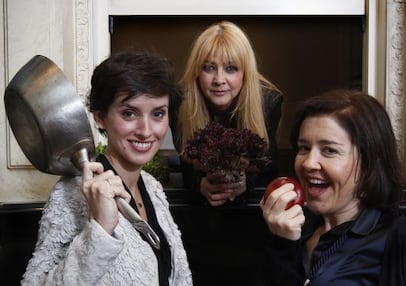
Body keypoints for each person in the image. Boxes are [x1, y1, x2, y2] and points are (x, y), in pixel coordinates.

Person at [21, 51, 193, 285]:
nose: (145, 130)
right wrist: (101, 229)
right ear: (100, 117)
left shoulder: (152, 187)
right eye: (129, 113)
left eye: (157, 114)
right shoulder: (72, 193)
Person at [260, 89, 406, 286]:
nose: (308, 163)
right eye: (304, 148)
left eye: (329, 150)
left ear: (368, 164)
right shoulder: (292, 230)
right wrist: (283, 244)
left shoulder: (403, 239)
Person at [170, 21, 283, 206]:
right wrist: (200, 185)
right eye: (209, 67)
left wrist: (247, 184)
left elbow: (267, 166)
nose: (219, 80)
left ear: (245, 72)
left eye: (231, 68)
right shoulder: (180, 104)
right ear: (197, 72)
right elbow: (187, 165)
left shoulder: (268, 102)